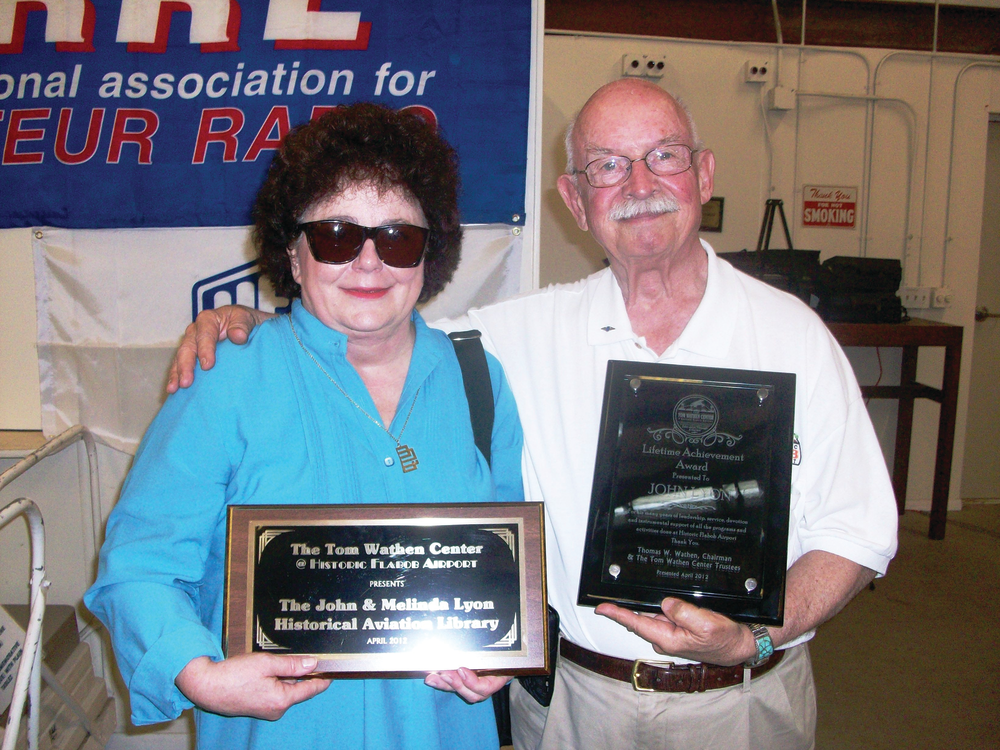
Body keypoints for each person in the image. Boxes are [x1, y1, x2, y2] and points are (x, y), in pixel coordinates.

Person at [168, 79, 898, 750]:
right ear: (576, 200)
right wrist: (258, 325)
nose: (638, 185)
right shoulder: (519, 335)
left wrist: (756, 639)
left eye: (662, 156)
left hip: (743, 703)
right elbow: (375, 320)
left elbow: (858, 530)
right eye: (607, 166)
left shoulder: (792, 334)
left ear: (703, 174)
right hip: (576, 706)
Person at [85, 103, 523, 750]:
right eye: (338, 235)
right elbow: (139, 567)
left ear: (430, 257)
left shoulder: (479, 383)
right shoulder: (225, 382)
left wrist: (501, 647)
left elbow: (506, 566)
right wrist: (198, 674)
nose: (369, 263)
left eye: (398, 237)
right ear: (292, 255)